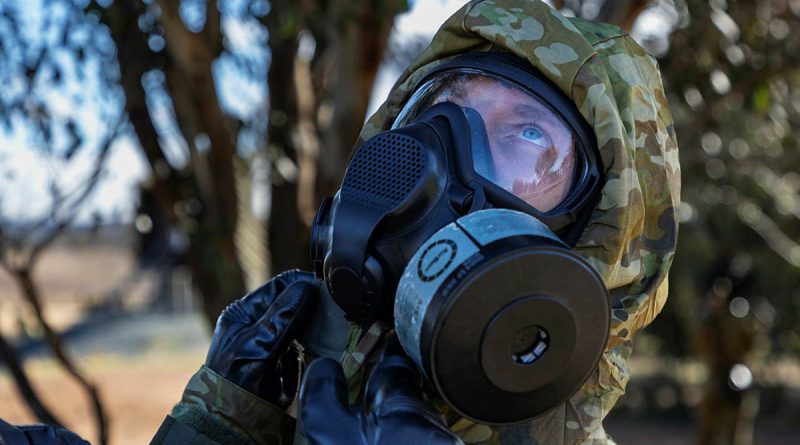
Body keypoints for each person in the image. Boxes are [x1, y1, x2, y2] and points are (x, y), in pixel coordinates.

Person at [1, 1, 679, 444]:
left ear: (609, 232)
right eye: (441, 110)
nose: (439, 157)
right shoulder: (300, 395)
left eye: (527, 135)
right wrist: (215, 429)